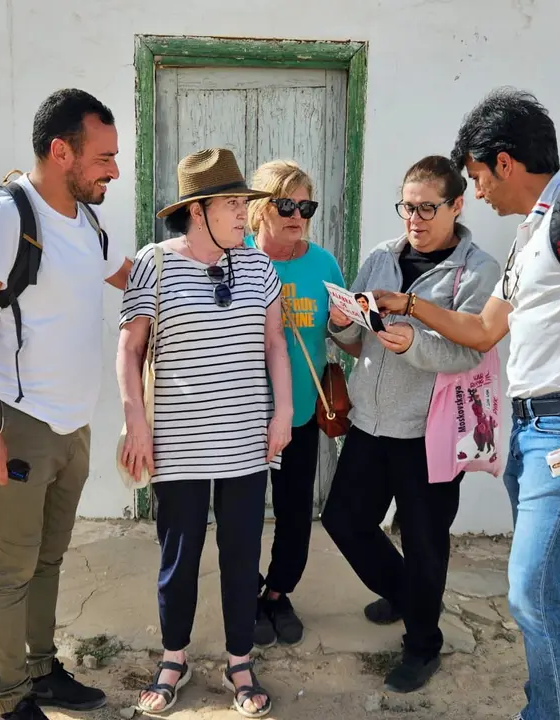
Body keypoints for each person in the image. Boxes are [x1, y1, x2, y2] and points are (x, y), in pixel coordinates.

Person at [373, 88, 560, 720]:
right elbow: (480, 331)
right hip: (530, 433)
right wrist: (408, 304)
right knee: (554, 589)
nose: (479, 192)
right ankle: (553, 707)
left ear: (503, 161)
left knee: (530, 591)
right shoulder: (532, 233)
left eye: (475, 176)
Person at [0, 89, 132, 720]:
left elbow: (127, 275)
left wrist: (211, 264)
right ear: (61, 151)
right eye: (103, 156)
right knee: (10, 568)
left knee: (48, 559)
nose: (114, 169)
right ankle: (10, 696)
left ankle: (42, 667)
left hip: (71, 427)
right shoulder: (4, 216)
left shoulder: (87, 222)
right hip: (17, 426)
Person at [117, 148, 293, 718]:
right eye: (233, 203)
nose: (244, 214)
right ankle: (175, 657)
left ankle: (239, 659)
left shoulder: (259, 267)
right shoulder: (154, 264)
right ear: (198, 211)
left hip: (243, 442)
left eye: (244, 203)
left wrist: (283, 412)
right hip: (179, 444)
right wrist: (135, 423)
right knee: (179, 557)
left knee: (242, 556)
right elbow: (130, 349)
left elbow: (274, 346)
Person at [320, 155, 500, 693]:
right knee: (344, 521)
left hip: (430, 431)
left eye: (427, 208)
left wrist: (414, 341)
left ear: (457, 205)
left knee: (425, 540)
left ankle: (423, 645)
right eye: (407, 207)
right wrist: (341, 324)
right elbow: (355, 339)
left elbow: (470, 351)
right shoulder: (380, 256)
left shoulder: (478, 269)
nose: (414, 219)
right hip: (371, 422)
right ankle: (405, 593)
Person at [243, 160, 346, 648]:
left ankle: (278, 593)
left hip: (300, 413)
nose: (297, 215)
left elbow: (344, 336)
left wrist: (358, 323)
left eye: (306, 206)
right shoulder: (233, 255)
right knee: (240, 515)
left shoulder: (322, 264)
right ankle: (244, 595)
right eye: (287, 204)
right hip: (238, 417)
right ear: (261, 207)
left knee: (294, 515)